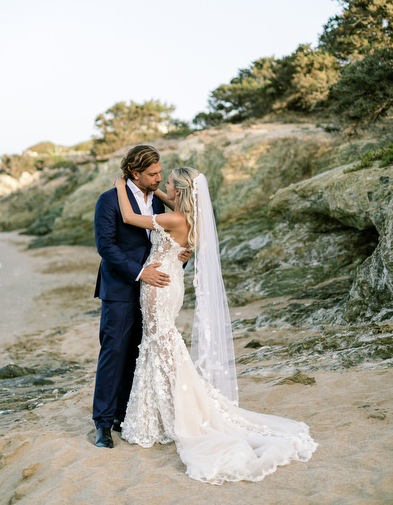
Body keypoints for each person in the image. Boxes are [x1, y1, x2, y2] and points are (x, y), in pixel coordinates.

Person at [114, 166, 318, 484]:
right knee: (163, 345)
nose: (163, 188)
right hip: (171, 283)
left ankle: (173, 415)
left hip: (159, 287)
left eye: (168, 184)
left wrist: (120, 185)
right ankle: (166, 413)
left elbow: (128, 217)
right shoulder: (187, 218)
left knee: (160, 344)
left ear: (180, 192)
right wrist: (161, 191)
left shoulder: (175, 220)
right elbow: (172, 201)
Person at [92, 145, 191, 448]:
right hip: (122, 288)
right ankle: (103, 424)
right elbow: (106, 246)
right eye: (153, 174)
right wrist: (139, 273)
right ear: (135, 173)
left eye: (161, 172)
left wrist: (181, 257)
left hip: (155, 292)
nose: (159, 178)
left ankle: (126, 414)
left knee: (139, 352)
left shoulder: (161, 205)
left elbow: (168, 243)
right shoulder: (109, 201)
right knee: (114, 353)